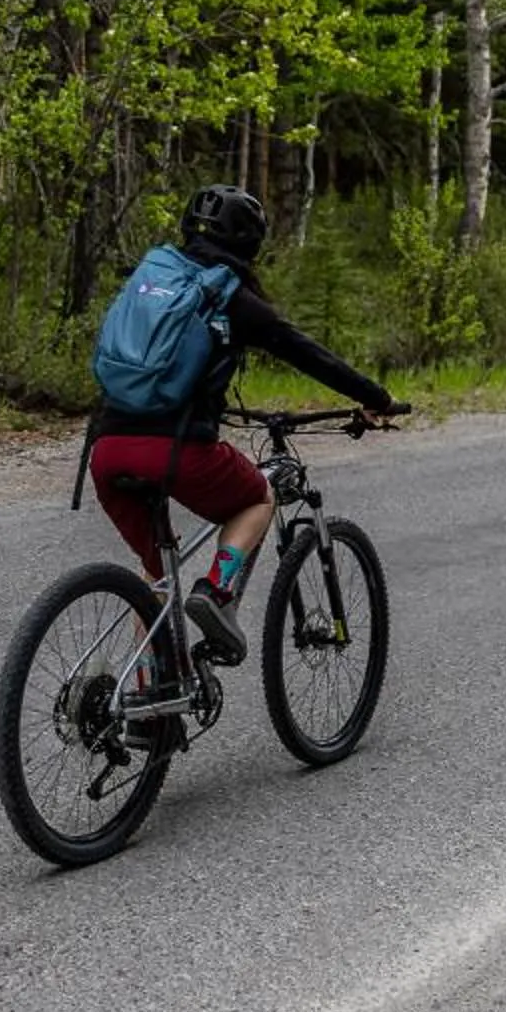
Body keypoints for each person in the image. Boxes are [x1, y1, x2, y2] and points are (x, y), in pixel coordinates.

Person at [86, 183, 405, 667]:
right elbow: (306, 353)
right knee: (259, 496)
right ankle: (216, 591)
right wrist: (374, 397)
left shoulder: (153, 276)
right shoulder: (229, 296)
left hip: (106, 449)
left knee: (155, 580)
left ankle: (147, 710)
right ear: (249, 244)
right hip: (176, 451)